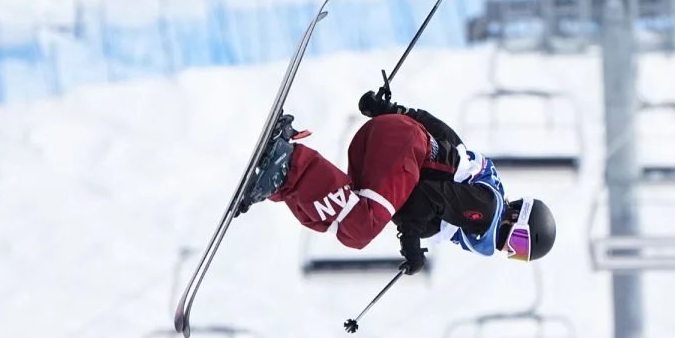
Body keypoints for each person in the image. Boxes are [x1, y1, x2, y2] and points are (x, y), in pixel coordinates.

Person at [237, 86, 557, 274]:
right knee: (362, 224)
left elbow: (449, 140)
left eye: (517, 254)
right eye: (518, 242)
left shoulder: (482, 185)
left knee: (347, 223)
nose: (507, 250)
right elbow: (426, 198)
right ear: (516, 216)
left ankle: (281, 179)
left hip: (394, 141)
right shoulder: (486, 211)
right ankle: (287, 163)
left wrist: (391, 110)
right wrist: (411, 244)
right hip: (400, 147)